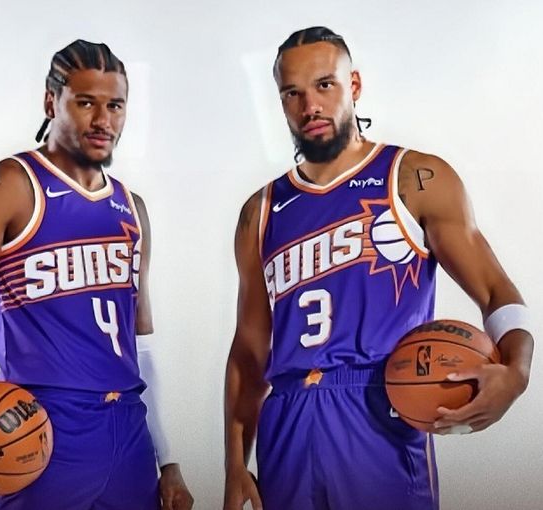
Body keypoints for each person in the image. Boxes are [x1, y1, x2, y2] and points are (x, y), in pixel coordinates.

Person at [223, 26, 534, 510]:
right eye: (292, 93)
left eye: (324, 85)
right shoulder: (259, 211)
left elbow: (495, 291)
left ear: (354, 85)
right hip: (287, 421)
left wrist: (516, 372)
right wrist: (234, 464)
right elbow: (248, 352)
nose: (310, 106)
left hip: (376, 408)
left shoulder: (413, 177)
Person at [0, 39, 194, 510]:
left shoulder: (133, 207)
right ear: (52, 102)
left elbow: (141, 344)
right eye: (86, 103)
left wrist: (167, 459)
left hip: (128, 427)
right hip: (41, 423)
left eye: (115, 106)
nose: (103, 120)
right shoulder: (8, 185)